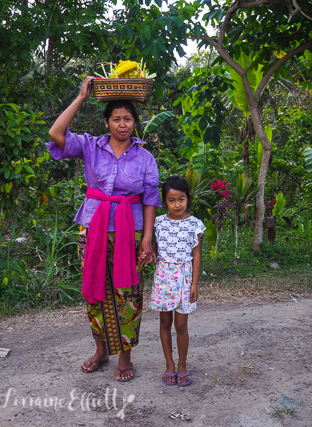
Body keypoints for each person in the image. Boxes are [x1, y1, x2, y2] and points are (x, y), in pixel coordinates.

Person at [46, 76, 161, 381]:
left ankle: (125, 356)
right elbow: (56, 133)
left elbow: (150, 199)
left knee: (129, 293)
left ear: (135, 122)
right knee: (95, 289)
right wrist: (81, 96)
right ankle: (100, 350)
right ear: (107, 122)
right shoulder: (89, 146)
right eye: (116, 119)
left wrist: (147, 239)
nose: (122, 124)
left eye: (128, 119)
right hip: (93, 228)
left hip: (131, 232)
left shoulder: (146, 158)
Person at [148, 175, 205, 386]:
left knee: (181, 325)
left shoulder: (195, 225)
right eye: (172, 200)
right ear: (165, 202)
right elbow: (156, 247)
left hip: (184, 278)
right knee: (165, 322)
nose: (177, 204)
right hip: (163, 278)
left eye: (181, 199)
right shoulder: (159, 223)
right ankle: (169, 365)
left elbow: (196, 255)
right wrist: (151, 253)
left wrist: (194, 283)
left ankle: (182, 365)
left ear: (188, 198)